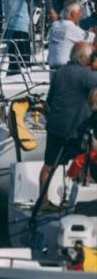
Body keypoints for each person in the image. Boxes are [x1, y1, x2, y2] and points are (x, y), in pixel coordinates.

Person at [38, 42, 97, 204]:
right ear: (84, 58)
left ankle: (43, 202)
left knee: (49, 166)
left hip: (55, 126)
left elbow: (50, 100)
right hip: (76, 129)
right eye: (92, 55)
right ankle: (84, 200)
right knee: (90, 160)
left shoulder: (60, 72)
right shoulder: (87, 75)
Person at [2, 0, 63, 74]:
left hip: (9, 29)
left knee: (14, 60)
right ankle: (20, 80)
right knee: (25, 59)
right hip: (20, 29)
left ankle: (11, 76)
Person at [47, 0, 91, 73]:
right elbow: (90, 39)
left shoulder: (54, 26)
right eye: (80, 12)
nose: (82, 15)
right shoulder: (72, 29)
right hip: (67, 71)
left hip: (53, 70)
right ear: (73, 13)